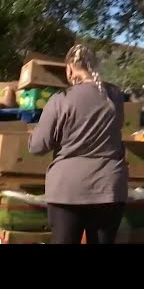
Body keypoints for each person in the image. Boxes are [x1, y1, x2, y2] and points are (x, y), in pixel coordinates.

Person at [29, 44, 128, 244]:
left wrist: (33, 134)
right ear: (95, 66)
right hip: (108, 187)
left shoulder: (60, 100)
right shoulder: (115, 96)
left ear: (69, 69)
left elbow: (38, 147)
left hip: (67, 190)